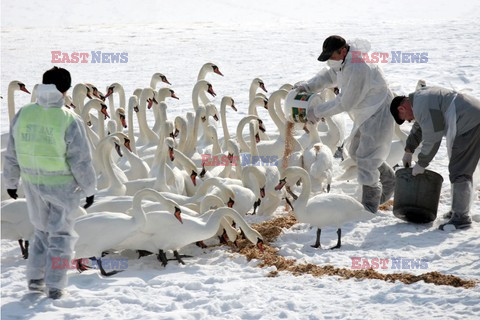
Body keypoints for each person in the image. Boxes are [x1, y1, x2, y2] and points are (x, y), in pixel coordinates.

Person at [3, 67, 96, 299]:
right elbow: (80, 160)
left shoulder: (23, 114)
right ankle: (55, 286)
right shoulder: (69, 119)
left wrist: (11, 181)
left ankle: (35, 279)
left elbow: (11, 152)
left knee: (41, 232)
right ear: (65, 90)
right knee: (61, 236)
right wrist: (89, 188)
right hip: (62, 187)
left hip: (32, 184)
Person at [295, 35, 395, 213]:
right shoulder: (343, 61)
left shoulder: (358, 67)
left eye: (332, 56)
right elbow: (330, 75)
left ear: (342, 50)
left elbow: (344, 102)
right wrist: (308, 87)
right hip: (365, 112)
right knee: (357, 152)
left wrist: (317, 112)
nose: (330, 61)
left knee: (367, 158)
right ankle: (389, 179)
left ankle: (369, 207)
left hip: (378, 111)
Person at [390, 86, 480, 230]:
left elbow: (433, 137)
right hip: (471, 117)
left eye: (407, 119)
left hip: (470, 123)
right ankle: (457, 210)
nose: (410, 121)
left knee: (460, 170)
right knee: (459, 168)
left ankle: (461, 217)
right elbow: (420, 126)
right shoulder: (420, 99)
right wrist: (409, 149)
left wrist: (421, 163)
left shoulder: (421, 105)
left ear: (401, 109)